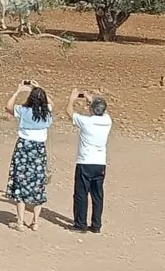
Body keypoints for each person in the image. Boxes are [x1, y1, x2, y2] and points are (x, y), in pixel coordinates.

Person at [4, 80, 54, 231]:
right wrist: (39, 88)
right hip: (39, 149)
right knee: (38, 183)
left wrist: (18, 91)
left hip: (24, 148)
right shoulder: (46, 112)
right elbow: (51, 103)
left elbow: (8, 107)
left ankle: (20, 222)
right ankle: (35, 221)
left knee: (20, 182)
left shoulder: (23, 110)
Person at [66, 88, 112, 234]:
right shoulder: (107, 120)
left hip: (85, 162)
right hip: (100, 163)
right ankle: (96, 225)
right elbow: (101, 110)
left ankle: (80, 224)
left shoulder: (86, 121)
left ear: (91, 109)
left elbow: (69, 112)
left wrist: (72, 99)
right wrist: (89, 98)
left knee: (81, 194)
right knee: (97, 195)